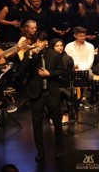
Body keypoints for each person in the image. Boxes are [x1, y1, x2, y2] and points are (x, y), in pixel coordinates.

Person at [16, 31, 65, 161]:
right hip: (36, 93)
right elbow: (20, 72)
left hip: (51, 93)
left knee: (57, 123)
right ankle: (40, 151)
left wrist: (50, 74)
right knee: (37, 124)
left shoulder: (54, 55)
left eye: (41, 41)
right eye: (36, 41)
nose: (38, 44)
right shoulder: (29, 54)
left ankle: (59, 150)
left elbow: (62, 71)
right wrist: (29, 57)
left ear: (46, 43)